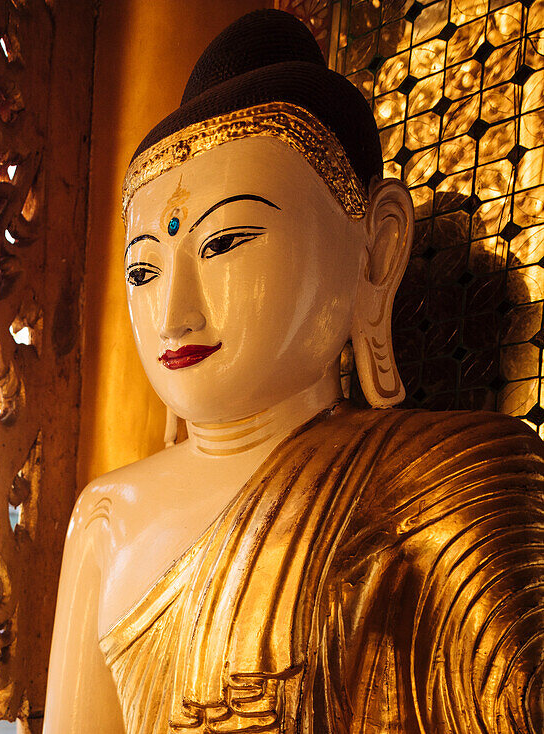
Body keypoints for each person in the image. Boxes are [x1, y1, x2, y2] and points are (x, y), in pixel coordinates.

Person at [43, 10, 544, 734]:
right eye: (144, 269)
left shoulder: (450, 487)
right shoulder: (106, 515)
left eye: (225, 243)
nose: (174, 314)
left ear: (374, 251)